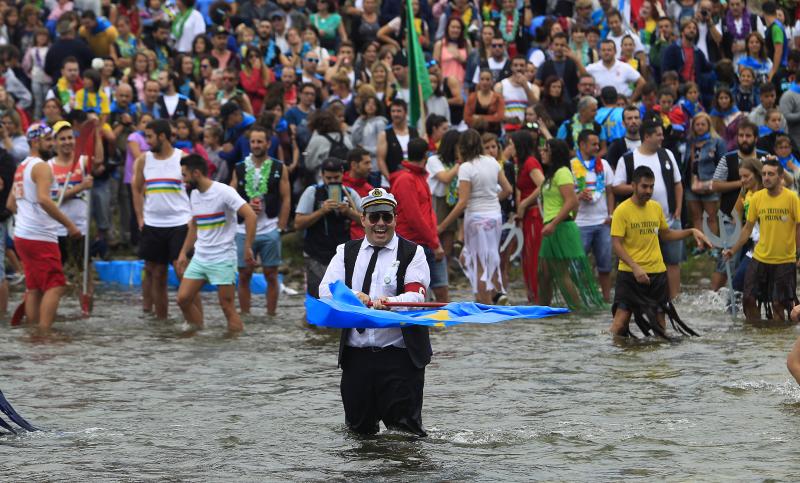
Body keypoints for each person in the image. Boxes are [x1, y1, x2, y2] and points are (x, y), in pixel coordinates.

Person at [318, 188, 431, 437]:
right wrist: (352, 297)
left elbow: (417, 298)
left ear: (395, 219)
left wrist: (384, 302)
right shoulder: (344, 251)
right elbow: (325, 291)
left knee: (405, 436)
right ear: (363, 220)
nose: (381, 224)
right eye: (374, 217)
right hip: (356, 359)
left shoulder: (414, 253)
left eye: (387, 217)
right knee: (359, 436)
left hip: (400, 358)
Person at [609, 165, 710, 338]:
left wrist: (691, 231)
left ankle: (658, 361)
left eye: (651, 186)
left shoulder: (655, 207)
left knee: (660, 327)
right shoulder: (622, 210)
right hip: (630, 276)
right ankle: (618, 362)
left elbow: (666, 234)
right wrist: (635, 267)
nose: (648, 191)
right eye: (644, 186)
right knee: (619, 325)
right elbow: (616, 244)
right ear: (633, 186)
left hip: (657, 274)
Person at [7, 124, 81, 329]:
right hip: (40, 237)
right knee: (56, 285)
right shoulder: (42, 166)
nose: (53, 144)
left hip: (22, 235)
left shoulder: (21, 166)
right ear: (35, 142)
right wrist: (70, 225)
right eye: (48, 140)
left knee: (35, 287)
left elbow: (10, 204)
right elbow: (44, 200)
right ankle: (44, 333)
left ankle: (33, 332)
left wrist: (27, 220)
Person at [176, 154, 256, 332]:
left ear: (196, 173)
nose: (183, 180)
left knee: (227, 307)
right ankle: (197, 333)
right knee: (183, 299)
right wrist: (183, 253)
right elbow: (195, 225)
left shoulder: (224, 191)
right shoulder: (194, 195)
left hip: (223, 258)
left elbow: (250, 215)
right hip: (200, 257)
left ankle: (236, 348)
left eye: (185, 175)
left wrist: (248, 246)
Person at [132, 119, 198, 320]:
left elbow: (197, 189)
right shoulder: (144, 160)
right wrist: (140, 217)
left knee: (184, 274)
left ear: (162, 136)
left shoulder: (182, 158)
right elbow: (136, 188)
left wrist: (193, 219)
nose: (146, 141)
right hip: (153, 225)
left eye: (150, 136)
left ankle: (196, 321)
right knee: (157, 274)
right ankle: (162, 323)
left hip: (179, 224)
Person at [437, 129, 512, 304]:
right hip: (495, 217)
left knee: (478, 265)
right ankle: (494, 295)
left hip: (476, 220)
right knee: (485, 258)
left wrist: (442, 226)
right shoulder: (493, 162)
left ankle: (484, 306)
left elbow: (462, 202)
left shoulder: (466, 168)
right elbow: (507, 190)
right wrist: (492, 201)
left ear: (461, 147)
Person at [724, 159, 800, 322]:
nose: (766, 177)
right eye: (764, 174)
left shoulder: (792, 198)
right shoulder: (757, 198)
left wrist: (798, 255)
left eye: (771, 174)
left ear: (780, 177)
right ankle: (756, 337)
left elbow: (799, 228)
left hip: (784, 260)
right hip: (759, 257)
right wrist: (733, 250)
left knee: (779, 303)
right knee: (748, 299)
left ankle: (776, 341)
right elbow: (747, 229)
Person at [536, 138, 604, 310]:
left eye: (546, 150)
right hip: (555, 226)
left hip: (559, 226)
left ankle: (576, 311)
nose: (542, 152)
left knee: (561, 274)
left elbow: (571, 201)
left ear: (554, 153)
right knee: (543, 274)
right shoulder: (553, 173)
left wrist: (556, 223)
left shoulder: (563, 172)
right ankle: (543, 310)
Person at [230, 125, 290, 316]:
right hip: (243, 229)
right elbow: (230, 197)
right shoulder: (239, 168)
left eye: (259, 141)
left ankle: (271, 316)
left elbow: (286, 198)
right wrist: (246, 205)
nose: (255, 145)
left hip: (269, 228)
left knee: (271, 274)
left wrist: (280, 227)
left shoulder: (279, 167)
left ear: (268, 144)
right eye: (253, 142)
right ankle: (246, 316)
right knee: (245, 274)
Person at [295, 158, 362, 298]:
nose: (332, 181)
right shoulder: (312, 192)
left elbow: (367, 221)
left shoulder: (350, 193)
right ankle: (312, 320)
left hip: (342, 255)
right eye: (328, 178)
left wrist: (349, 212)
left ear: (343, 173)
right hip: (316, 254)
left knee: (342, 296)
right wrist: (321, 211)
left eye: (336, 177)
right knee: (317, 296)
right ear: (322, 175)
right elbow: (298, 223)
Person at [390, 137, 446, 302]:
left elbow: (428, 214)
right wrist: (435, 243)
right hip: (413, 245)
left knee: (442, 292)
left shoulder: (420, 177)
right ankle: (427, 328)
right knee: (417, 296)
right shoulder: (406, 179)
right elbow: (414, 218)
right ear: (426, 156)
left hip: (429, 242)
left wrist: (435, 241)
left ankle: (440, 328)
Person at [571, 130, 615, 302]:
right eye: (593, 144)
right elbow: (566, 197)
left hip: (602, 222)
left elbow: (610, 192)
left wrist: (611, 214)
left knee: (605, 265)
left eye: (598, 144)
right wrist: (578, 196)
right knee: (577, 266)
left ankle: (605, 299)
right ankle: (579, 299)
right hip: (580, 223)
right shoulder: (571, 166)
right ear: (582, 145)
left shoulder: (603, 165)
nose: (598, 147)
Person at [509, 130, 543, 303]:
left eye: (512, 144)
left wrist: (524, 203)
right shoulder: (522, 163)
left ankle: (538, 297)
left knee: (533, 256)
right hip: (526, 215)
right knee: (527, 257)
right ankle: (533, 296)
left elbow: (543, 184)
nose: (510, 148)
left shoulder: (530, 162)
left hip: (534, 214)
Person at [376, 99, 418, 185]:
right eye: (393, 111)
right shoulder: (384, 134)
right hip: (391, 181)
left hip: (412, 180)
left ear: (405, 113)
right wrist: (390, 179)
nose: (395, 114)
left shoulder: (414, 132)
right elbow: (380, 160)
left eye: (399, 111)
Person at [342, 147, 374, 239]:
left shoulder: (370, 190)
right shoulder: (340, 187)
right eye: (366, 163)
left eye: (370, 162)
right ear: (354, 165)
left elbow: (373, 221)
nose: (370, 167)